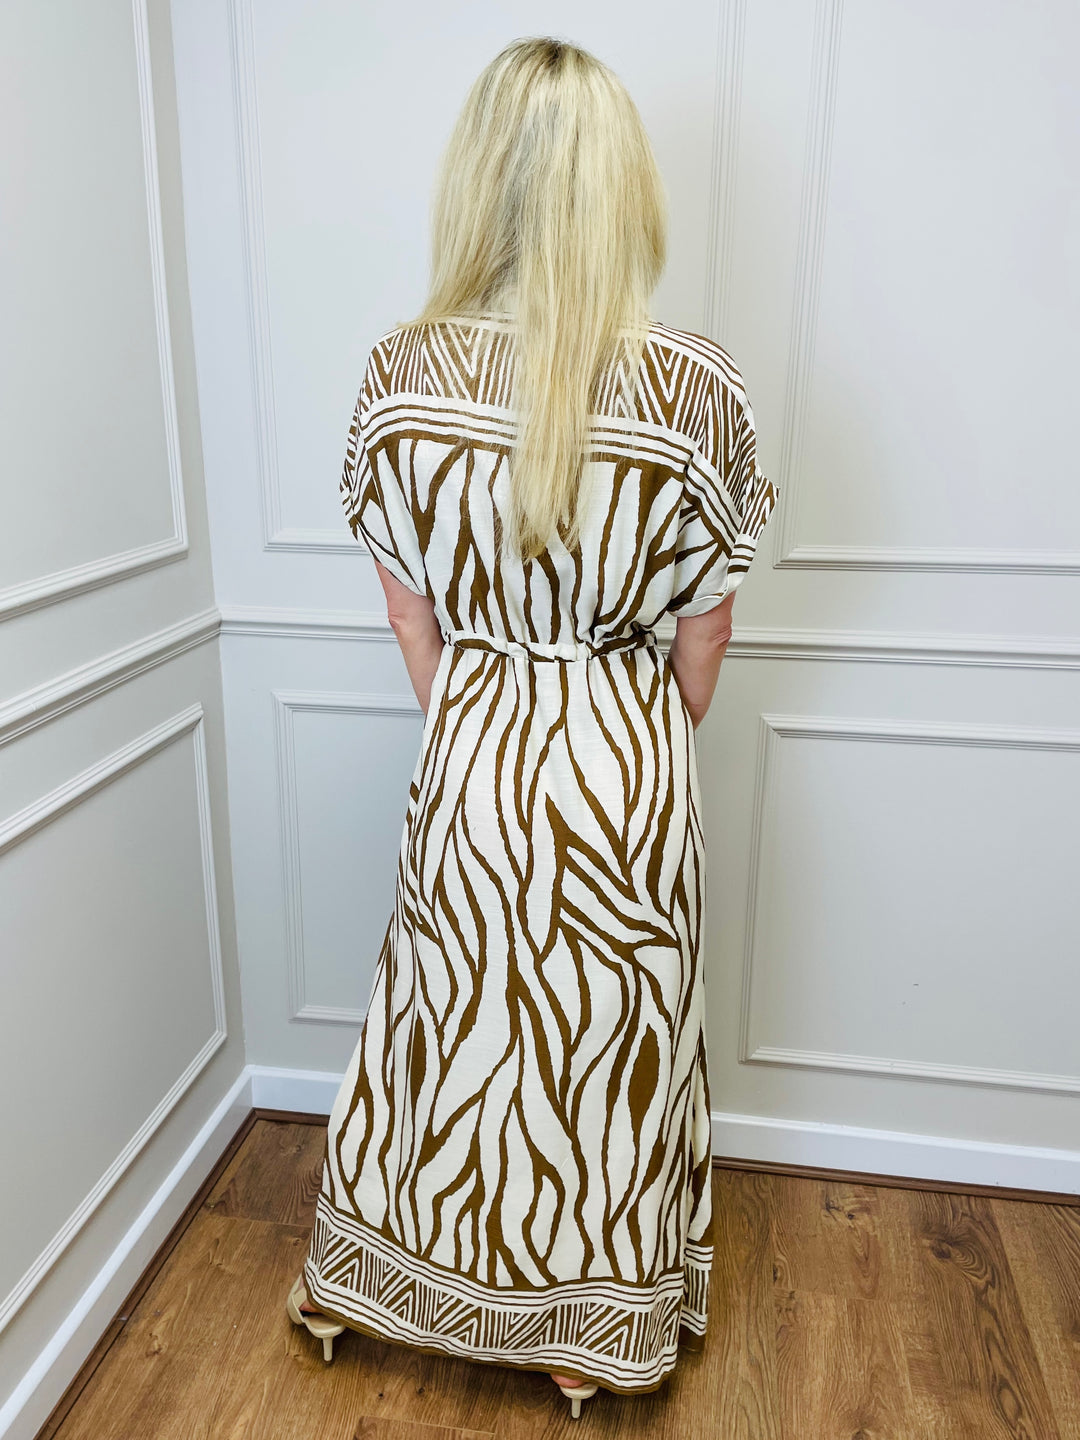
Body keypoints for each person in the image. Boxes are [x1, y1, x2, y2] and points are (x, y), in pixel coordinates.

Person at [285, 33, 779, 1420]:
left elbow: (411, 623)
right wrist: (635, 729)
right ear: (623, 191)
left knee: (442, 1031)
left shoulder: (397, 380)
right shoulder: (697, 388)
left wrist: (484, 722)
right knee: (605, 1053)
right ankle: (585, 1338)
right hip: (625, 757)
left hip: (476, 747)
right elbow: (706, 639)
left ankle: (375, 1283)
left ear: (476, 184)